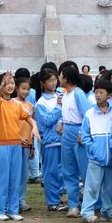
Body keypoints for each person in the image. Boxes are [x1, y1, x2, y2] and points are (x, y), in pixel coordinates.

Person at [0, 72, 39, 222]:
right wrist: (2, 85)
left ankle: (13, 210)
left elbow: (28, 118)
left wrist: (34, 126)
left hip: (17, 146)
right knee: (2, 179)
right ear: (0, 85)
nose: (9, 86)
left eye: (12, 83)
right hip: (2, 146)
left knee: (15, 179)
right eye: (6, 83)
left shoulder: (17, 105)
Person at [80, 79, 112, 223]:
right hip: (95, 158)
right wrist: (93, 149)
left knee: (109, 187)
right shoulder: (90, 113)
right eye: (96, 92)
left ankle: (107, 210)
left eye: (101, 92)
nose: (97, 95)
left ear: (109, 95)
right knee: (92, 186)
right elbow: (85, 136)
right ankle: (87, 212)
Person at [58, 65, 92, 218]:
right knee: (68, 170)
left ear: (66, 78)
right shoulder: (65, 95)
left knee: (85, 170)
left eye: (60, 75)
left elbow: (88, 115)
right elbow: (65, 113)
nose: (59, 78)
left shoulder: (78, 94)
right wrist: (61, 122)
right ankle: (73, 204)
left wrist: (81, 133)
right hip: (67, 133)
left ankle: (90, 204)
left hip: (78, 133)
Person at [35, 68, 66, 212]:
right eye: (49, 80)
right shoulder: (41, 102)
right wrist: (58, 107)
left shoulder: (61, 95)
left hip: (64, 139)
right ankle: (52, 202)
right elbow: (46, 122)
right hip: (51, 141)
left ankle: (59, 197)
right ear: (42, 83)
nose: (53, 83)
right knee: (51, 172)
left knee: (63, 171)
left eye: (54, 80)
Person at [13, 75, 36, 212]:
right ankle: (13, 200)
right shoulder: (12, 103)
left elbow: (32, 127)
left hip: (27, 144)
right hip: (14, 143)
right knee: (14, 173)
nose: (26, 91)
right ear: (17, 88)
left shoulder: (31, 107)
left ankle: (21, 200)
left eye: (28, 89)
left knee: (23, 175)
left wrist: (32, 145)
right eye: (23, 88)